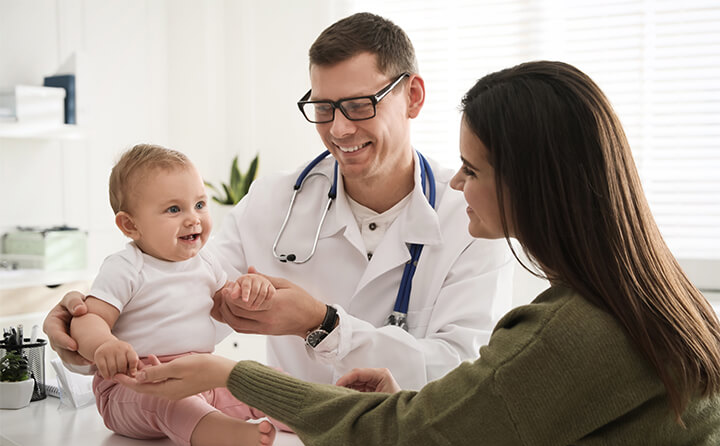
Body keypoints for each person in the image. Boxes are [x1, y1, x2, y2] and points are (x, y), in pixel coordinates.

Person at [117, 61, 720, 446]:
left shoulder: (571, 330)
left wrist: (246, 367)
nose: (458, 183)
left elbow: (405, 436)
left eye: (473, 169)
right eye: (323, 108)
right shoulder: (639, 290)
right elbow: (179, 279)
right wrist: (97, 310)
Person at [44, 12, 513, 390]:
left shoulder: (472, 214)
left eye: (358, 105)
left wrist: (322, 323)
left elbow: (461, 375)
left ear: (412, 96)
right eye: (324, 108)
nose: (339, 129)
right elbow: (179, 302)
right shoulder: (273, 202)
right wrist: (90, 329)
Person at [73, 144, 276, 446]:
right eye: (174, 210)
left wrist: (249, 289)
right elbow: (88, 318)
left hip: (201, 376)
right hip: (135, 386)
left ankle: (312, 416)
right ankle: (233, 436)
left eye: (199, 204)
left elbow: (227, 303)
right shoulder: (126, 268)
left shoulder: (207, 262)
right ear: (130, 225)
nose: (193, 219)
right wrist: (103, 346)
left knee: (256, 384)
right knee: (173, 404)